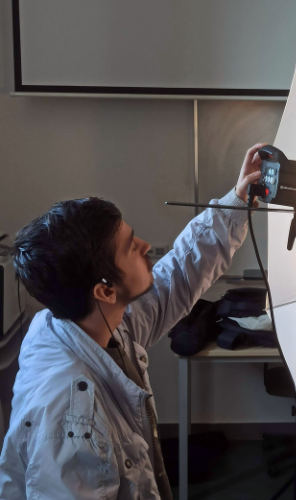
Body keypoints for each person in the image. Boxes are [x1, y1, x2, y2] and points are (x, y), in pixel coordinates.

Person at [0, 143, 265, 499]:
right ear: (105, 290)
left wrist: (236, 200)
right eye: (129, 246)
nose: (144, 246)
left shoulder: (81, 321)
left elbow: (176, 278)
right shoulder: (71, 422)